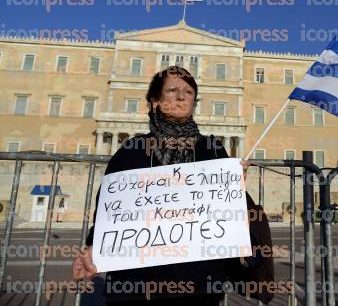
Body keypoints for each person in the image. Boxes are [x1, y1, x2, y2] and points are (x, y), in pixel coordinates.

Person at [72, 66, 249, 305]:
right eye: (172, 90)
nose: (181, 96)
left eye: (188, 91)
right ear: (155, 101)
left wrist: (233, 184)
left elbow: (227, 213)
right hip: (137, 282)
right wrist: (94, 248)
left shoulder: (213, 149)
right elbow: (109, 208)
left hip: (198, 283)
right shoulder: (132, 150)